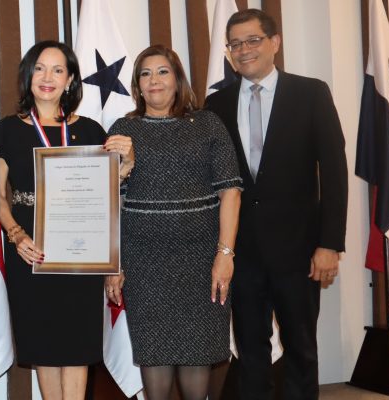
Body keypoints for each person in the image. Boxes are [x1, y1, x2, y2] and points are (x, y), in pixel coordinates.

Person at [204, 9, 347, 399]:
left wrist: (329, 243)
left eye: (253, 40)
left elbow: (334, 172)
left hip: (299, 252)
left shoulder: (311, 94)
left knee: (301, 351)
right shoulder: (216, 105)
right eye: (235, 44)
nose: (244, 50)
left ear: (275, 43)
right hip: (242, 254)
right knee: (250, 353)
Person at [0, 40, 133, 400]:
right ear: (28, 76)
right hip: (31, 252)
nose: (47, 77)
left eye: (58, 70)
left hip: (82, 254)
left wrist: (128, 162)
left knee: (77, 345)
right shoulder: (6, 130)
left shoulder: (91, 131)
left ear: (70, 79)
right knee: (44, 345)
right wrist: (16, 234)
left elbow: (109, 194)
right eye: (40, 68)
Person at [104, 45, 242, 400]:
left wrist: (225, 254)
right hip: (143, 263)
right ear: (137, 84)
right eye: (145, 73)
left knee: (198, 355)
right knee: (154, 355)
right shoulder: (123, 129)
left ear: (178, 79)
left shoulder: (208, 124)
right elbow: (109, 201)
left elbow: (230, 192)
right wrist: (114, 264)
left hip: (202, 261)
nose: (154, 80)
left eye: (162, 71)